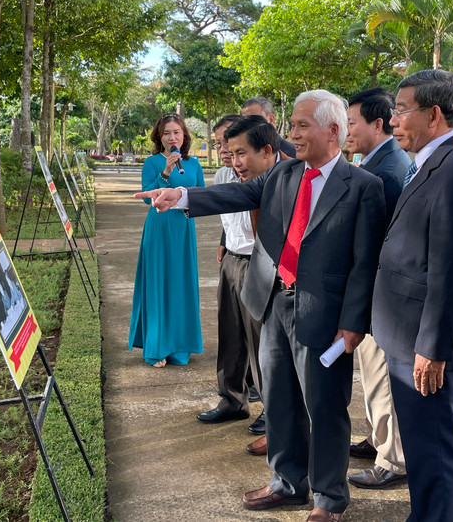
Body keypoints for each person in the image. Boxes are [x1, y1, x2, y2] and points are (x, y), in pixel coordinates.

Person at [137, 90, 386, 522]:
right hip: (273, 305)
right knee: (280, 400)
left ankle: (328, 499)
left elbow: (366, 263)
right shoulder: (284, 174)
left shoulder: (364, 186)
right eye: (292, 125)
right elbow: (234, 196)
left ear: (333, 130)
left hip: (325, 317)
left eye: (301, 125)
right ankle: (287, 483)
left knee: (324, 409)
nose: (293, 133)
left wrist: (353, 323)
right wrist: (179, 196)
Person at [372, 69, 453, 522]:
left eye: (402, 110)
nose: (394, 119)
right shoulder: (429, 163)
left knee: (437, 456)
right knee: (423, 455)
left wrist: (433, 349)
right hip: (409, 338)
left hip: (429, 348)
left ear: (434, 114)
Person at [343, 88, 411, 491]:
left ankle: (393, 459)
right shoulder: (376, 161)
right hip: (372, 294)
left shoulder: (385, 170)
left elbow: (374, 244)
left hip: (380, 294)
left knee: (382, 375)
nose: (347, 131)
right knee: (371, 374)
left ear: (377, 123)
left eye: (351, 123)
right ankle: (377, 438)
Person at [224, 114, 285, 457]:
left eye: (240, 153)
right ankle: (279, 431)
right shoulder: (264, 175)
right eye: (230, 153)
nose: (235, 163)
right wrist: (182, 196)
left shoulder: (293, 172)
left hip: (295, 293)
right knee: (267, 361)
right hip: (266, 282)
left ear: (266, 150)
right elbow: (227, 198)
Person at [128, 113, 205, 367]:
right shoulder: (152, 162)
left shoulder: (193, 165)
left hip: (183, 228)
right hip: (159, 227)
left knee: (180, 283)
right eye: (167, 133)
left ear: (184, 136)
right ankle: (157, 346)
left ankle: (180, 346)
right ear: (159, 137)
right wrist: (166, 171)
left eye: (177, 133)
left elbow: (204, 198)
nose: (172, 137)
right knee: (159, 282)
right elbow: (148, 198)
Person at [197, 114, 255, 425]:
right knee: (230, 334)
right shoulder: (222, 176)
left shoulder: (261, 175)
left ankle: (274, 412)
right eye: (220, 144)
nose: (223, 151)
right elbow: (227, 214)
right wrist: (223, 240)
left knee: (261, 344)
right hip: (232, 260)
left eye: (229, 145)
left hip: (257, 263)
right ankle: (232, 399)